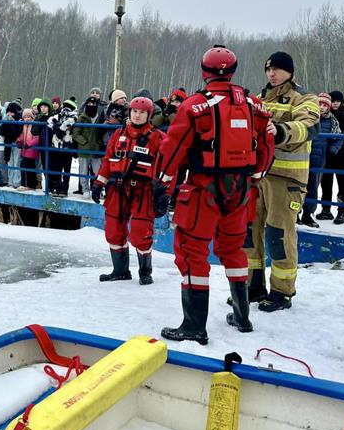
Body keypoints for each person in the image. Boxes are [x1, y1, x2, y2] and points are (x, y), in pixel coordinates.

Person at [158, 46, 274, 344]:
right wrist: (257, 173)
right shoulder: (253, 104)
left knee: (192, 252)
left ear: (204, 72)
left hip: (203, 190)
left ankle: (194, 325)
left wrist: (163, 186)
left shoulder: (196, 106)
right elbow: (267, 142)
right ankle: (242, 316)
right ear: (233, 70)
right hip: (241, 190)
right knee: (234, 249)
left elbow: (173, 149)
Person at [246, 51, 319, 313]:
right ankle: (252, 287)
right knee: (250, 234)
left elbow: (309, 125)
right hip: (257, 177)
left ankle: (281, 292)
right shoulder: (259, 98)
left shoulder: (304, 98)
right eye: (268, 70)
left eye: (277, 69)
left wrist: (281, 131)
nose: (271, 74)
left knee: (279, 235)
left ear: (290, 71)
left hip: (286, 179)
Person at [92, 96, 166, 285]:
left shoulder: (157, 138)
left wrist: (163, 193)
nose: (137, 115)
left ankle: (145, 271)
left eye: (142, 112)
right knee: (113, 231)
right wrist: (99, 183)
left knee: (141, 233)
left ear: (148, 115)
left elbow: (169, 166)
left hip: (143, 191)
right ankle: (120, 270)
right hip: (117, 190)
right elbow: (108, 160)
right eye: (134, 111)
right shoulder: (118, 135)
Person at [317, 90, 344, 224]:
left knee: (343, 184)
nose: (335, 104)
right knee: (326, 183)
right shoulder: (325, 115)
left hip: (343, 155)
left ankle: (342, 212)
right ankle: (326, 209)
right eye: (333, 101)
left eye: (338, 101)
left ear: (341, 102)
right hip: (328, 154)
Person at [299, 93, 342, 227]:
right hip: (302, 157)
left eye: (325, 105)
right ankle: (294, 214)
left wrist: (332, 150)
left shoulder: (332, 121)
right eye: (320, 104)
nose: (322, 107)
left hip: (318, 159)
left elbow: (339, 137)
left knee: (312, 188)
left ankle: (308, 215)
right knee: (298, 187)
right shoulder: (308, 117)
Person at [73, 97, 103, 196]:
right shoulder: (82, 118)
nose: (91, 106)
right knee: (83, 171)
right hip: (84, 150)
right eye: (89, 104)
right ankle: (85, 190)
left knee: (98, 171)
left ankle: (98, 189)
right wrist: (85, 143)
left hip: (96, 150)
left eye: (93, 104)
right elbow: (76, 134)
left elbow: (101, 133)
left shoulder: (99, 118)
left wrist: (99, 143)